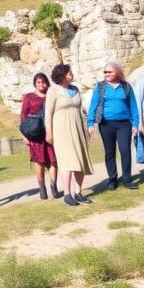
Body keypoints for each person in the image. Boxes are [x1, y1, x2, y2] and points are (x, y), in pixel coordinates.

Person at [46, 64, 94, 206]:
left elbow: (81, 108)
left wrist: (88, 127)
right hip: (61, 130)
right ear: (61, 76)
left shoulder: (75, 90)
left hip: (78, 127)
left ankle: (78, 192)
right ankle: (67, 194)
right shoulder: (53, 91)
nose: (71, 75)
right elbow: (48, 114)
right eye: (68, 73)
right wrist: (49, 133)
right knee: (67, 161)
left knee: (80, 159)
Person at [87, 62, 141, 190]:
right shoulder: (100, 87)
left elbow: (133, 106)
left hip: (124, 124)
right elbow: (93, 106)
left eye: (109, 72)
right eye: (105, 72)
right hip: (106, 124)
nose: (106, 74)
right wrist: (90, 123)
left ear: (117, 72)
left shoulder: (126, 87)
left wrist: (135, 124)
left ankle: (127, 180)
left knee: (125, 150)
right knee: (110, 152)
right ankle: (112, 180)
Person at [22, 73, 62, 200]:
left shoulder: (52, 95)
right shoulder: (29, 97)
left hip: (50, 132)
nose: (41, 84)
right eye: (38, 82)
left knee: (53, 160)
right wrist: (25, 135)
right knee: (39, 161)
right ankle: (42, 188)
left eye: (43, 82)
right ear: (35, 83)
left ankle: (54, 187)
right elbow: (23, 116)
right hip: (34, 133)